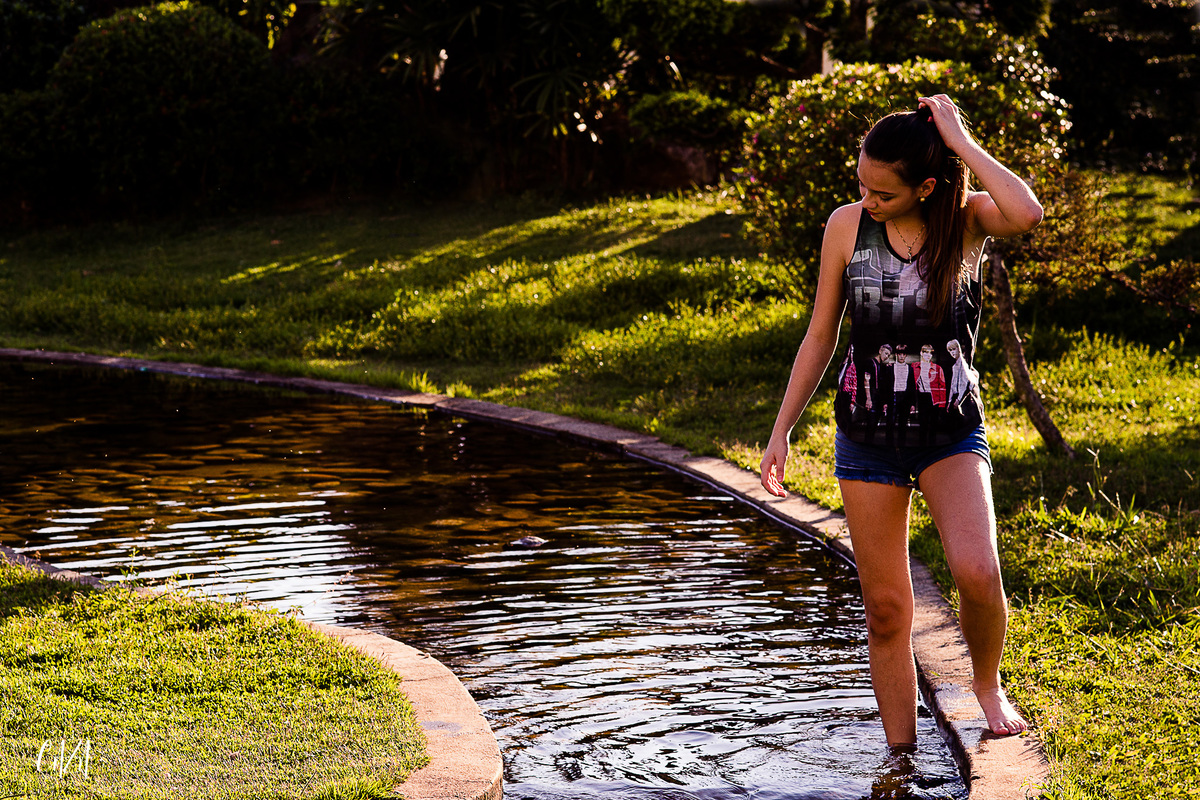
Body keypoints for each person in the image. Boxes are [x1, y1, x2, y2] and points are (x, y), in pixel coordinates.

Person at [758, 94, 1042, 750]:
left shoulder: (966, 221)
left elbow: (1027, 213)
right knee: (886, 610)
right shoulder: (846, 227)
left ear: (927, 187)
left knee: (977, 572)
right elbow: (821, 334)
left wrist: (961, 141)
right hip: (867, 437)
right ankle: (901, 759)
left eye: (883, 192)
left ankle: (987, 684)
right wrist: (781, 429)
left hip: (949, 430)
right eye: (862, 184)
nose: (868, 200)